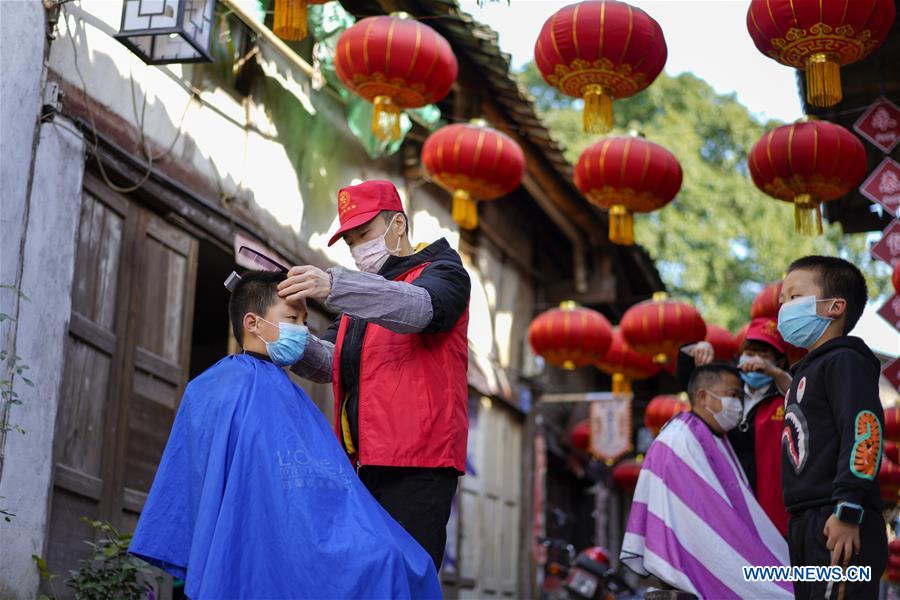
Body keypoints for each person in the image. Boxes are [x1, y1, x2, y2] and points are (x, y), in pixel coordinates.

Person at [128, 271, 441, 599]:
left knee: (394, 559)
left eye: (305, 323)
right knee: (387, 561)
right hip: (261, 537)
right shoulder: (214, 391)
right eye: (292, 318)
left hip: (302, 534)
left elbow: (326, 491)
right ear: (253, 323)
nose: (302, 332)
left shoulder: (283, 396)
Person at [278, 180, 471, 569]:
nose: (356, 249)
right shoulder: (359, 301)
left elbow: (419, 311)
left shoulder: (444, 271)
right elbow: (331, 362)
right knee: (362, 580)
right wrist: (288, 341)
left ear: (397, 224)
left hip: (420, 463)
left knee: (405, 579)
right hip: (361, 464)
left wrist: (333, 285)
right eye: (349, 241)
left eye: (363, 234)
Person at [621, 363, 793, 599]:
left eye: (739, 397)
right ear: (703, 396)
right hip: (692, 564)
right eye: (732, 394)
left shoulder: (712, 436)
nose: (737, 404)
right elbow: (704, 522)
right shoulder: (679, 441)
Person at [778, 256, 886, 600]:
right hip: (806, 520)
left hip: (838, 516)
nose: (784, 308)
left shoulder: (845, 361)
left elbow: (864, 430)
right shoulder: (806, 370)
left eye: (794, 298)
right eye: (782, 301)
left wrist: (848, 508)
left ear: (835, 307)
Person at [677, 317, 792, 536]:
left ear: (780, 363)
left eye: (765, 356)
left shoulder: (786, 394)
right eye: (750, 353)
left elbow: (805, 403)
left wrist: (776, 375)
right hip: (728, 498)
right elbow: (690, 381)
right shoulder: (725, 388)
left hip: (774, 507)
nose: (755, 361)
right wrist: (697, 349)